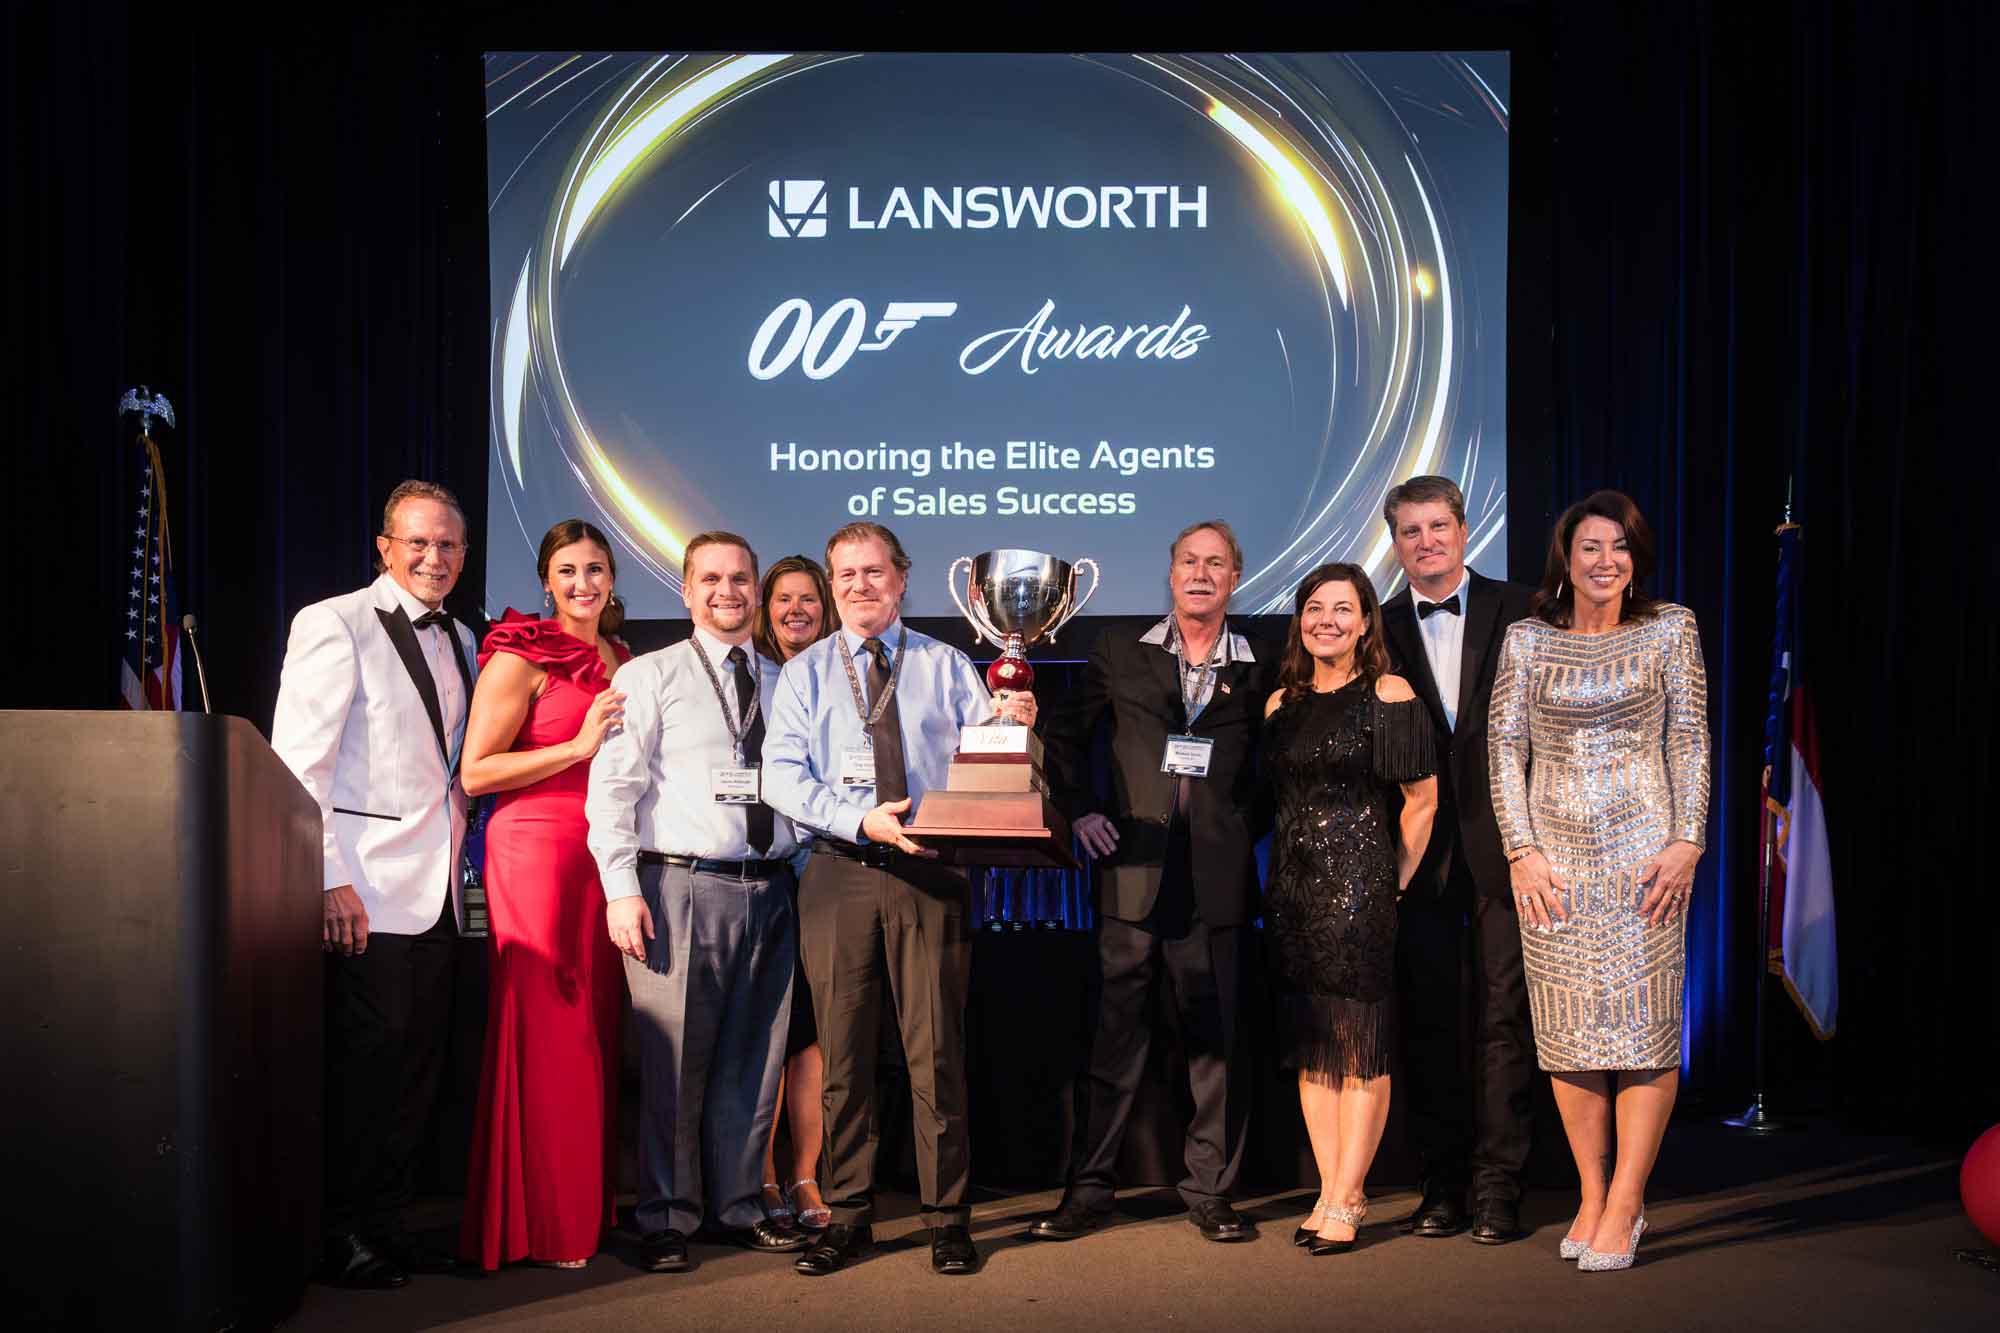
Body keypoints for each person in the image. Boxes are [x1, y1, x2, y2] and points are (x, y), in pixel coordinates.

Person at [763, 522, 1036, 1278]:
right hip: (839, 867)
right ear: (830, 582)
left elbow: (987, 768)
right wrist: (859, 816)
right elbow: (779, 776)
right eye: (845, 573)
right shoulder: (806, 674)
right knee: (845, 1056)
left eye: (873, 571)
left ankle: (946, 1216)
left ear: (902, 578)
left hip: (930, 872)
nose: (859, 585)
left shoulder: (947, 665)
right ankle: (848, 1215)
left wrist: (1011, 732)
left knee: (936, 1051)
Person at [1033, 520, 1274, 1245]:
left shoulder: (1261, 664)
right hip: (1131, 876)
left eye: (1217, 564)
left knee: (1217, 1045)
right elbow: (1065, 735)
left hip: (1217, 884)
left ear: (1235, 578)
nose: (1201, 574)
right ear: (1169, 573)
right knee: (1112, 1043)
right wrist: (1080, 814)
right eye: (1189, 562)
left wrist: (1234, 827)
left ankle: (1210, 1190)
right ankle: (1090, 1188)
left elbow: (1272, 768)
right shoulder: (1119, 653)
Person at [1488, 489, 1710, 1272]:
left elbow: (1687, 737)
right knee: (1570, 1034)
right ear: (1567, 555)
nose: (1605, 561)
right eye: (1590, 546)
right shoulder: (1526, 639)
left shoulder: (1669, 627)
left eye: (1619, 546)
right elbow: (1504, 746)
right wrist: (1522, 850)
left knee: (1645, 1033)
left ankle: (1628, 1200)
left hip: (1646, 861)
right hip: (1554, 867)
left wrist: (1688, 840)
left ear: (1635, 557)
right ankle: (1591, 1190)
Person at [271, 479, 479, 1289]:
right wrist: (325, 878)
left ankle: (387, 1224)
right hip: (361, 891)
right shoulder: (335, 622)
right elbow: (299, 766)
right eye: (419, 543)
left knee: (414, 1073)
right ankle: (341, 1233)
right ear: (384, 547)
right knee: (363, 1075)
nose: (435, 557)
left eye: (450, 545)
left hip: (435, 892)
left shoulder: (461, 637)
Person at [587, 532, 809, 1274]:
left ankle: (741, 1205)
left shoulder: (790, 683)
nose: (728, 591)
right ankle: (667, 1216)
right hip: (675, 884)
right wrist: (621, 888)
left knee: (755, 1060)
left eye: (741, 578)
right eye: (711, 579)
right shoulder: (649, 677)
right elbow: (613, 789)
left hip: (773, 888)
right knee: (674, 1062)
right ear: (685, 592)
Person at [458, 520, 631, 1270]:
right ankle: (544, 1221)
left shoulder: (622, 659)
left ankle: (583, 1210)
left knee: (594, 1024)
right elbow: (475, 772)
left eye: (596, 568)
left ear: (613, 580)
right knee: (548, 1025)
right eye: (568, 570)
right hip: (532, 847)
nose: (583, 582)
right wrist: (575, 745)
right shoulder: (520, 652)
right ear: (546, 579)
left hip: (601, 856)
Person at [1376, 475, 1540, 1243]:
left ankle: (1499, 1185)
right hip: (1416, 853)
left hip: (1511, 844)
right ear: (1395, 542)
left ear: (1464, 530)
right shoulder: (1375, 628)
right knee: (1431, 1021)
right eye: (1410, 531)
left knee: (1507, 1019)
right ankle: (1440, 1184)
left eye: (1438, 526)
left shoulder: (1524, 607)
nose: (1426, 541)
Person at [1262, 564, 1437, 1254]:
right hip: (1293, 896)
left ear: (1366, 620)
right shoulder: (1281, 703)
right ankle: (1328, 1186)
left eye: (1343, 607)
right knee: (1315, 1049)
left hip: (1362, 892)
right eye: (1314, 607)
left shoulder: (1388, 692)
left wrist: (1390, 881)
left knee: (1361, 1047)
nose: (1326, 619)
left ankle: (1350, 1195)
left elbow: (1421, 800)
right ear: (1299, 619)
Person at [751, 554, 838, 1235]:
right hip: (761, 872)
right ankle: (762, 1174)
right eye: (783, 598)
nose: (795, 609)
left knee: (809, 1037)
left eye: (808, 598)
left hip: (829, 869)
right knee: (766, 1035)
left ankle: (806, 1170)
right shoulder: (748, 674)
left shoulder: (847, 675)